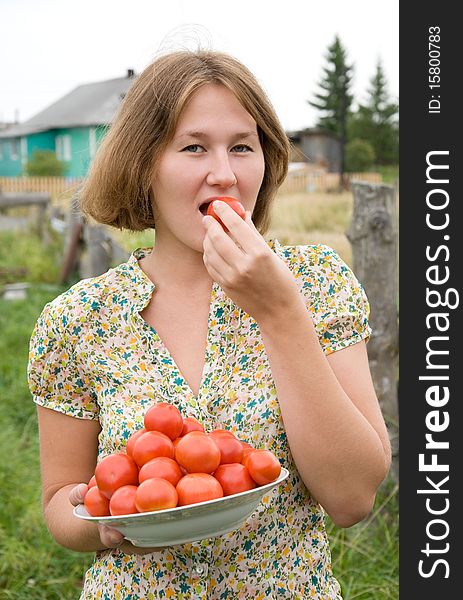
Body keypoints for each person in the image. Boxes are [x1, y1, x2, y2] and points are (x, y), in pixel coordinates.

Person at [28, 49, 392, 599]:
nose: (224, 175)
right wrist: (101, 524)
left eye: (242, 148)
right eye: (194, 147)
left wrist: (280, 313)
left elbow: (352, 499)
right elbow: (60, 497)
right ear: (142, 163)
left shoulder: (317, 285)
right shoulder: (78, 320)